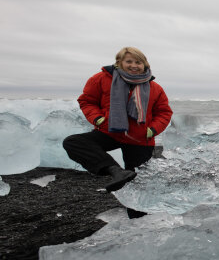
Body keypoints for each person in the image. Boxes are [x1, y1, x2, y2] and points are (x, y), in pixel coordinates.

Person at [63, 47, 173, 218]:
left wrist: (152, 130)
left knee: (138, 183)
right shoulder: (101, 79)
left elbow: (164, 112)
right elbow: (87, 101)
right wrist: (99, 119)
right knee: (73, 142)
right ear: (119, 62)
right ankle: (114, 170)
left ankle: (138, 221)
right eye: (129, 61)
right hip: (110, 131)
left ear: (145, 64)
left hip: (139, 138)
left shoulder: (154, 87)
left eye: (138, 62)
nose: (134, 65)